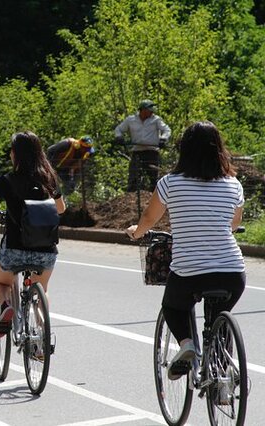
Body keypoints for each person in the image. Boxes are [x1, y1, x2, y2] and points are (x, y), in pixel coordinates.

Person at [125, 121, 245, 380]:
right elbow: (234, 224)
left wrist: (137, 232)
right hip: (232, 271)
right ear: (219, 150)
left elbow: (149, 218)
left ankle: (187, 345)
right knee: (218, 320)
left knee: (173, 307)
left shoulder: (170, 183)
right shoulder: (233, 184)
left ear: (185, 150)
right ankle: (223, 381)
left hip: (190, 270)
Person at [0, 131, 66, 337]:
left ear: (15, 154)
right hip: (46, 250)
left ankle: (5, 306)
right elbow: (61, 208)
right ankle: (42, 336)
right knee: (41, 290)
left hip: (15, 249)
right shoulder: (49, 178)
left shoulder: (7, 180)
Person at [115, 100, 171, 192]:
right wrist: (119, 137)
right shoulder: (131, 120)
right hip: (137, 152)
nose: (152, 111)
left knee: (154, 178)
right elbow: (118, 129)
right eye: (150, 109)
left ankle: (155, 198)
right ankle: (131, 198)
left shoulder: (156, 119)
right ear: (143, 110)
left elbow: (167, 130)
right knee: (133, 177)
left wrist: (163, 139)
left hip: (152, 152)